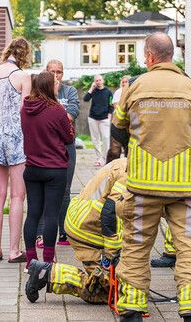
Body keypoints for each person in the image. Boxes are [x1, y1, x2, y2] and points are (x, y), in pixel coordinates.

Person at [111, 32, 191, 322]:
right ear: (172, 55)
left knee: (135, 246)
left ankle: (132, 311)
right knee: (190, 250)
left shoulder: (134, 87)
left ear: (149, 56)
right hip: (187, 188)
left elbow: (117, 130)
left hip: (143, 185)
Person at [26, 158, 129, 304]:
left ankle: (45, 272)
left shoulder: (124, 162)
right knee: (106, 291)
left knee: (118, 287)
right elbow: (109, 214)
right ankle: (47, 273)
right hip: (87, 228)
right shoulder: (132, 173)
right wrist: (112, 255)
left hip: (82, 218)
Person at [0, 37, 32, 263]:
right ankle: (13, 250)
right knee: (17, 195)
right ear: (25, 55)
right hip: (16, 139)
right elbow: (26, 110)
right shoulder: (22, 76)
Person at [21, 71, 75, 268]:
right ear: (48, 86)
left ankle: (30, 260)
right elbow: (69, 138)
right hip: (55, 169)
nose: (57, 84)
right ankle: (48, 261)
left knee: (33, 213)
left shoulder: (25, 108)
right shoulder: (57, 110)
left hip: (32, 168)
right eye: (55, 82)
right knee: (51, 214)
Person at [35, 59, 80, 247]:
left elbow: (72, 114)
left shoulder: (70, 91)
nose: (55, 75)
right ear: (45, 72)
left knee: (65, 190)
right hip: (44, 147)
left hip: (66, 147)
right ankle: (40, 234)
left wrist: (50, 113)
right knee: (42, 192)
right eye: (52, 71)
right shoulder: (37, 92)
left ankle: (64, 233)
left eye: (59, 72)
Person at [83, 74, 113, 166]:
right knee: (95, 139)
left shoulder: (108, 92)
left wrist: (109, 114)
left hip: (104, 119)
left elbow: (111, 104)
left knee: (106, 138)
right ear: (94, 82)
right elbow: (85, 99)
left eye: (100, 80)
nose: (98, 82)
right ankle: (98, 159)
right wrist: (91, 88)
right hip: (93, 118)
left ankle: (105, 158)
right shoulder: (93, 91)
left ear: (103, 81)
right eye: (96, 80)